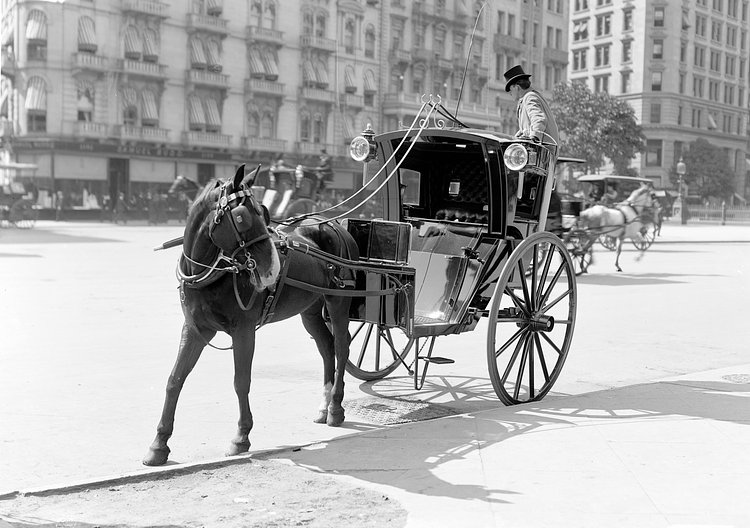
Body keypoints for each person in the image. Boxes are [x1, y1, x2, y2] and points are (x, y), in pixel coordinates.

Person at [504, 64, 559, 147]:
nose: (510, 93)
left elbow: (539, 119)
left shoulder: (529, 97)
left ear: (517, 87)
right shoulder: (530, 96)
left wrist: (534, 138)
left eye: (510, 89)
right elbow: (527, 129)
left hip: (542, 152)